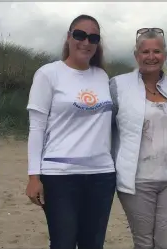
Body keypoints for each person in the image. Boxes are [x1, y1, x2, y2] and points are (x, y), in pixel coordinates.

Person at [25, 14, 116, 249]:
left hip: (102, 175)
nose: (86, 42)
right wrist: (34, 176)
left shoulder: (101, 76)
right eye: (80, 35)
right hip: (60, 175)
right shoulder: (48, 73)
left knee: (93, 244)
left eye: (93, 38)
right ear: (69, 37)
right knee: (63, 242)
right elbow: (36, 127)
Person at [109, 28, 167, 249]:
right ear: (136, 56)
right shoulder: (119, 85)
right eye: (145, 52)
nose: (151, 57)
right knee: (144, 243)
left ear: (165, 55)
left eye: (157, 51)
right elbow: (105, 127)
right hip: (136, 181)